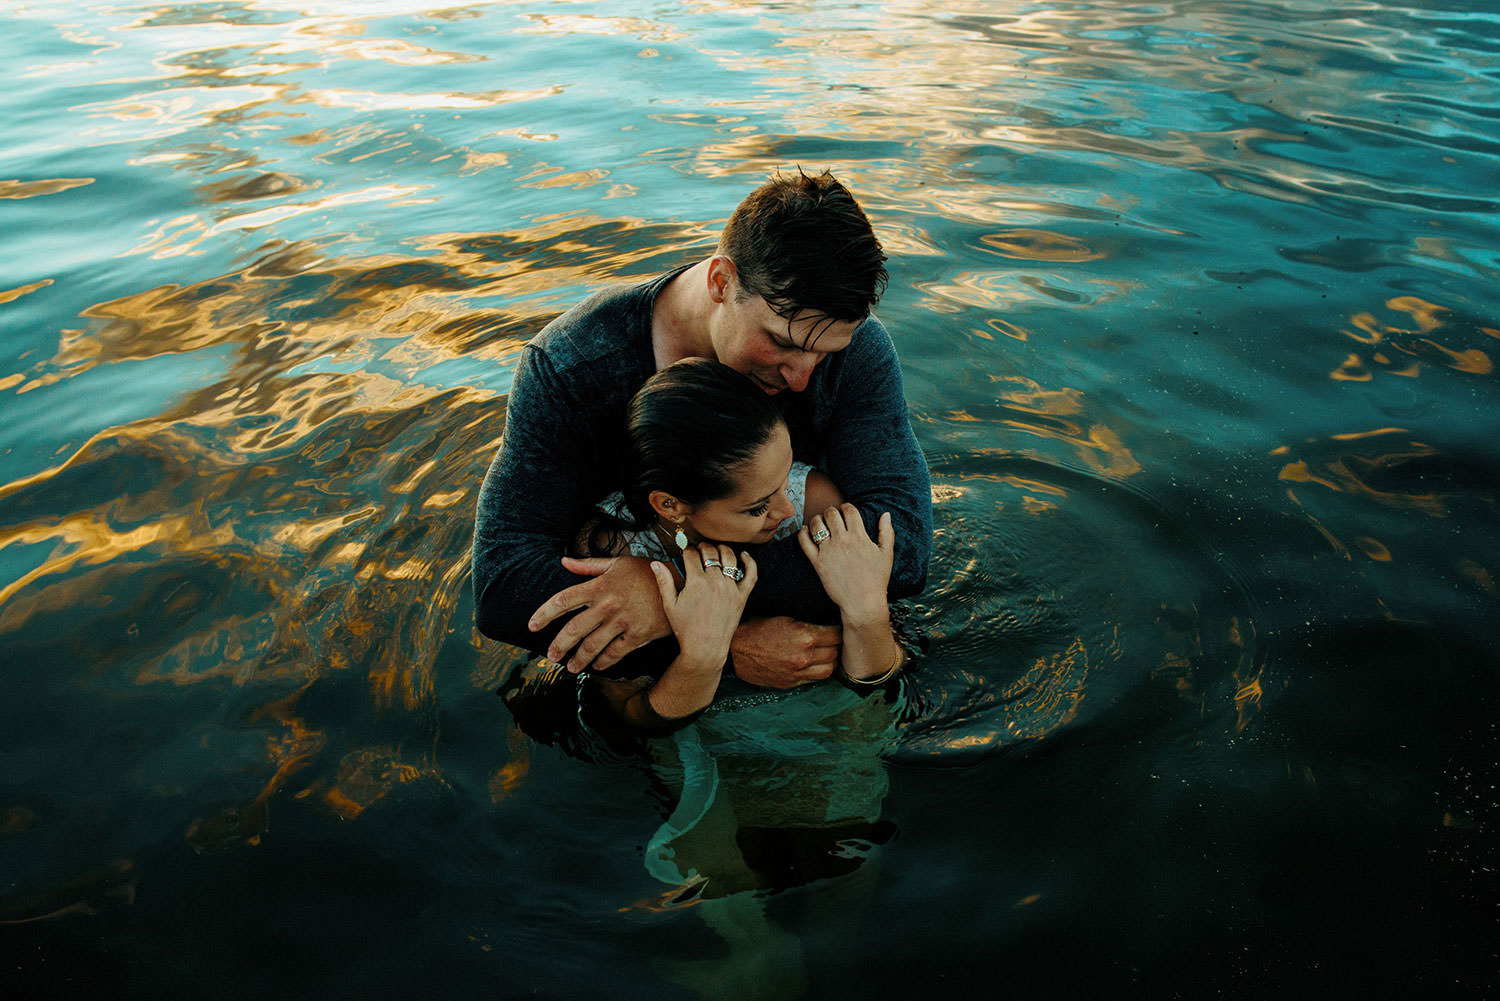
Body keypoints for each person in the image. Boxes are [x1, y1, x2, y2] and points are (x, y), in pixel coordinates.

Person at [472, 169, 930, 686]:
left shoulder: (859, 350)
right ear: (721, 282)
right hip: (652, 677)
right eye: (782, 342)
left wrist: (670, 591)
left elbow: (905, 547)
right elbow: (503, 586)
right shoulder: (572, 367)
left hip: (824, 654)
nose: (803, 379)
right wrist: (715, 642)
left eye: (827, 352)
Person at [575, 359, 906, 730]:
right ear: (671, 506)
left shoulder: (810, 502)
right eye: (758, 506)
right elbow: (627, 720)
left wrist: (867, 613)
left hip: (833, 717)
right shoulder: (613, 547)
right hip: (701, 734)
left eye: (785, 477)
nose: (785, 508)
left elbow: (877, 685)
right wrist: (703, 657)